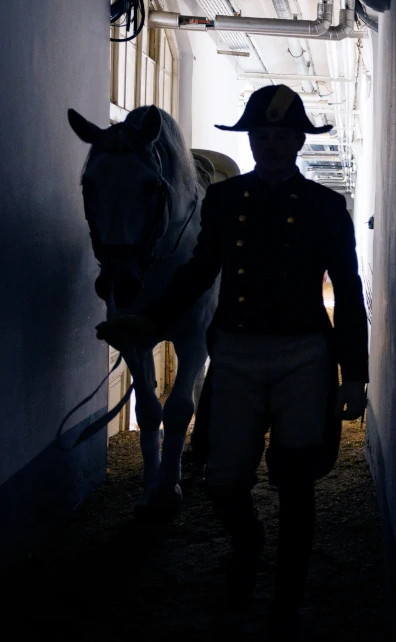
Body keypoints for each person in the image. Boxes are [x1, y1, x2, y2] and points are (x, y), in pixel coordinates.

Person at [96, 85, 369, 640]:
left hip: (304, 354)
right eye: (262, 136)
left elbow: (348, 289)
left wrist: (355, 374)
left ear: (297, 142)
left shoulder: (325, 207)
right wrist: (148, 323)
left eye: (281, 136)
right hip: (238, 349)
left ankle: (286, 597)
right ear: (252, 141)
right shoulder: (224, 203)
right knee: (222, 479)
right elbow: (196, 274)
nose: (271, 145)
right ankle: (248, 546)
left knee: (296, 482)